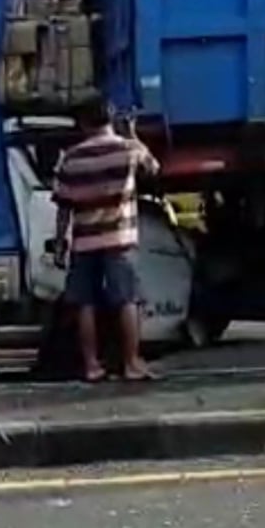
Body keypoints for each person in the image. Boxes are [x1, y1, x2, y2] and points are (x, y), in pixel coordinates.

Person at [52, 97, 160, 383]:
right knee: (126, 299)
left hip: (84, 241)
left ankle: (91, 365)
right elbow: (153, 168)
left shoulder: (71, 157)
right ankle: (131, 362)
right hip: (119, 239)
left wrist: (60, 242)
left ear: (83, 122)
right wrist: (133, 134)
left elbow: (64, 206)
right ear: (111, 118)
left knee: (85, 303)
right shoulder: (128, 149)